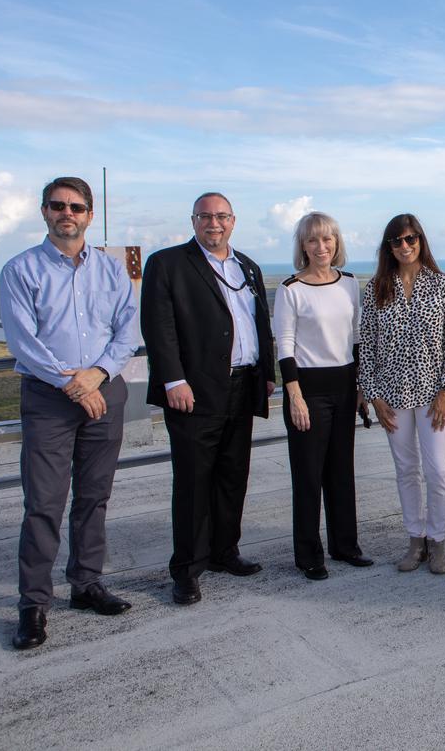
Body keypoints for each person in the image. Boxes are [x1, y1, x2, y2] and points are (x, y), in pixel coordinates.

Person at [0, 176, 139, 650]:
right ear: (43, 211)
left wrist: (97, 375)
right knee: (43, 505)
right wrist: (72, 384)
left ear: (89, 215)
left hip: (103, 392)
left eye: (76, 207)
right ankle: (34, 603)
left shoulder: (110, 270)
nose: (67, 214)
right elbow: (22, 341)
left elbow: (126, 330)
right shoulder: (21, 270)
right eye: (58, 206)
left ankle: (86, 584)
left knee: (94, 497)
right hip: (49, 399)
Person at [142, 192, 275, 606]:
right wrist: (173, 381)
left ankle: (224, 551)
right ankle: (186, 569)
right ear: (193, 220)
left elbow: (259, 322)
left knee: (233, 475)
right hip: (193, 392)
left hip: (242, 386)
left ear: (233, 221)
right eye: (205, 216)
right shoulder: (168, 264)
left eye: (221, 216)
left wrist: (265, 374)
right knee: (193, 483)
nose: (213, 223)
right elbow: (157, 327)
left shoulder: (247, 267)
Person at [358, 214, 445, 575]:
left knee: (439, 471)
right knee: (406, 470)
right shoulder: (375, 289)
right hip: (391, 396)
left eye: (411, 239)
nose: (405, 246)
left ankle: (438, 541)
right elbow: (367, 346)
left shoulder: (442, 286)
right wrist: (374, 395)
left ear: (421, 241)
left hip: (434, 395)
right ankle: (415, 539)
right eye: (397, 241)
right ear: (389, 247)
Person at [274, 212, 372, 581]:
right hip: (307, 389)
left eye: (327, 239)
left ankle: (346, 545)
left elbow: (358, 336)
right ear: (303, 245)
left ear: (336, 243)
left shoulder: (348, 283)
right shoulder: (291, 289)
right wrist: (294, 395)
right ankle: (309, 555)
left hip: (345, 383)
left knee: (341, 471)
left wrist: (361, 387)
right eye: (313, 240)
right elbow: (284, 345)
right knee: (308, 475)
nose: (321, 247)